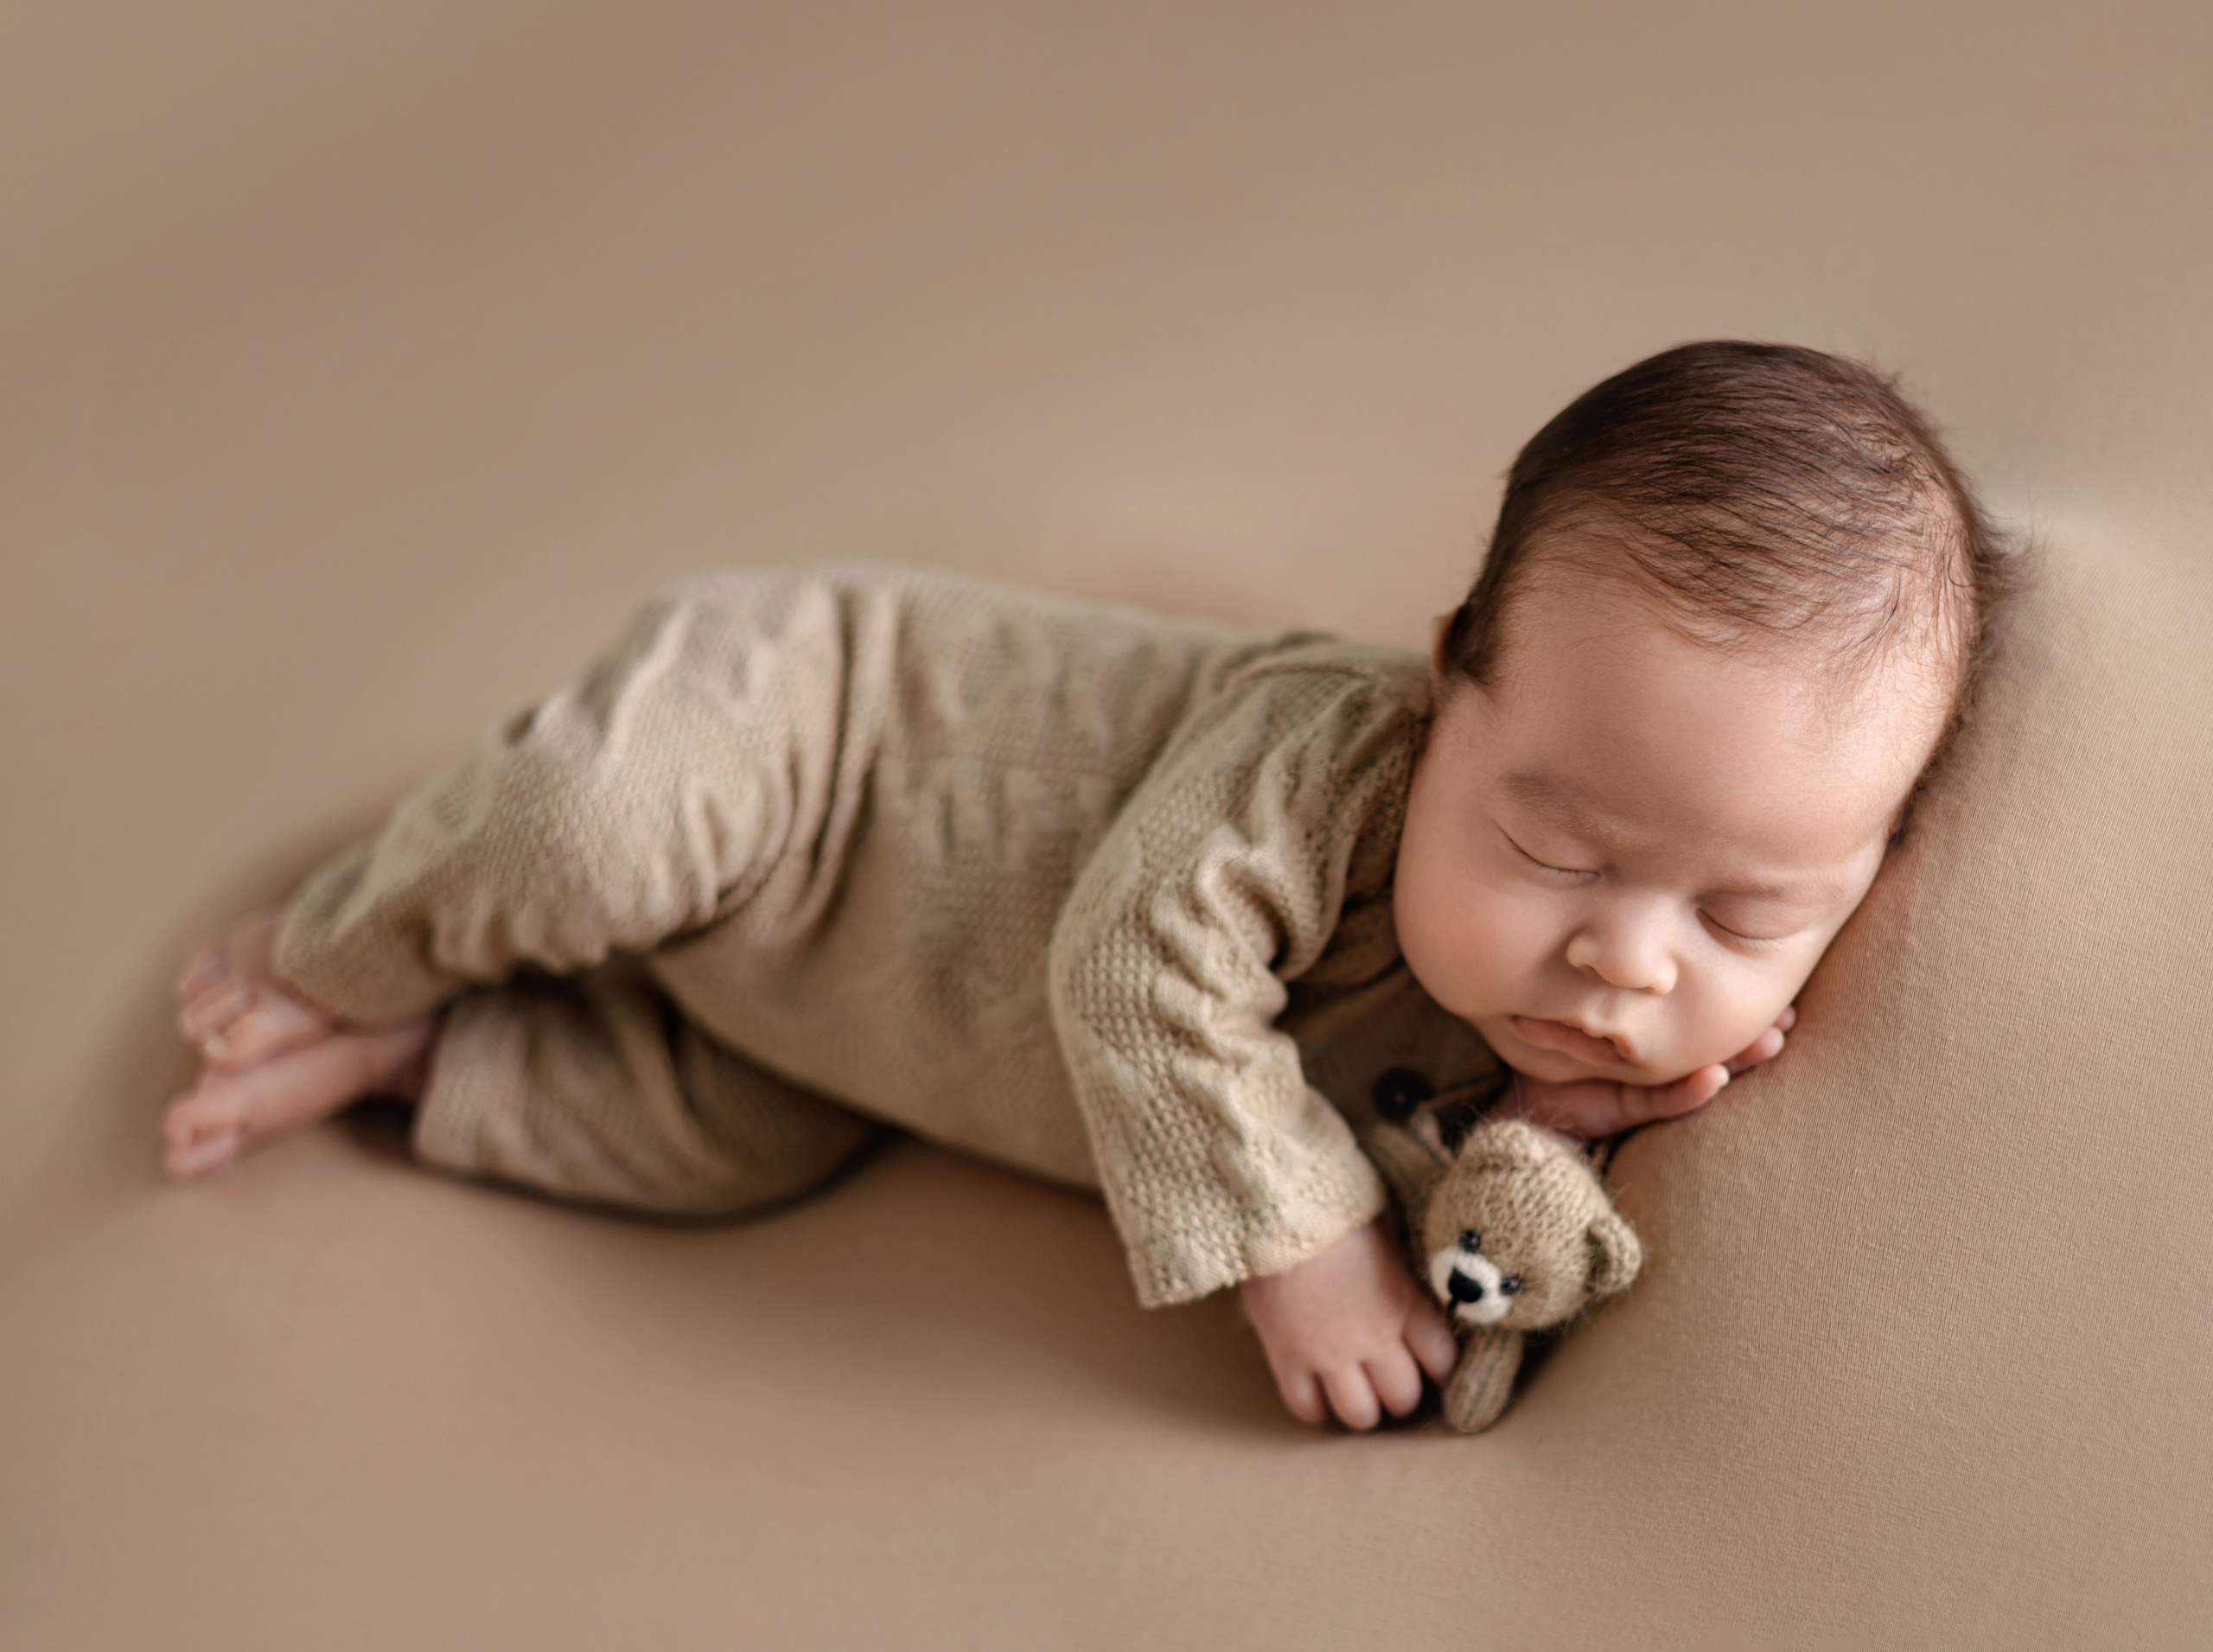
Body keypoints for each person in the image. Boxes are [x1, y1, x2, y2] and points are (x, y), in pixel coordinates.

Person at [161, 341, 2010, 1432]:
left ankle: (415, 1070)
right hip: (815, 743)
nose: (1620, 953)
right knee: (596, 824)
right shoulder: (1327, 742)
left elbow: (1443, 1352)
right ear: (1447, 671)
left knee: (714, 1144)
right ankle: (359, 951)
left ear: (1865, 868)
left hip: (840, 1036)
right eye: (1560, 847)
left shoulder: (1590, 1054)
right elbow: (1138, 959)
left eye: (1745, 913)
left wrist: (1532, 1136)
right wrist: (1297, 1242)